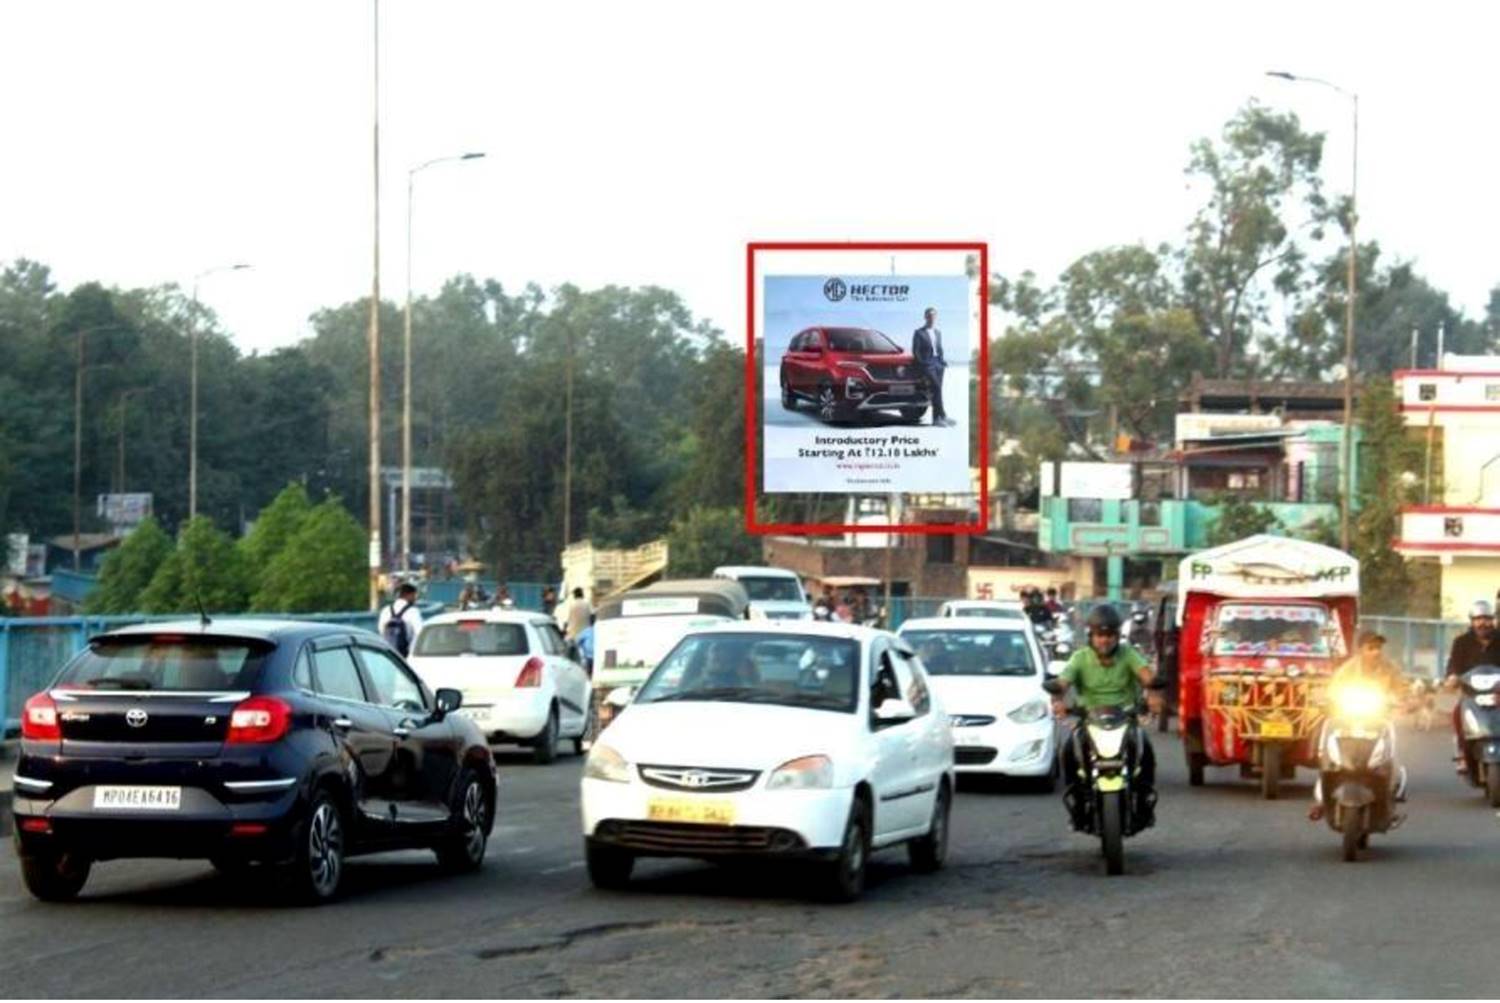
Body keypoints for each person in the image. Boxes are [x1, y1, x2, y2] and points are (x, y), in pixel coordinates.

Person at [1050, 605, 1162, 827]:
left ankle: (1144, 802)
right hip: (1089, 719)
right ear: (1091, 636)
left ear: (1117, 636)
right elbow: (1063, 682)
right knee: (1068, 751)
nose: (1105, 640)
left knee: (1146, 750)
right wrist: (1058, 698)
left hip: (1126, 718)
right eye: (1100, 635)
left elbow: (1147, 676)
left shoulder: (1128, 654)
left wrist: (1154, 694)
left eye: (1110, 635)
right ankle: (1077, 803)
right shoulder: (1079, 658)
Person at [1310, 631, 1409, 820]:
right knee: (1327, 742)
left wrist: (1403, 700)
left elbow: (1402, 688)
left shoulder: (1389, 668)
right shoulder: (1347, 669)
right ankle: (1321, 796)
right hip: (1348, 718)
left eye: (1378, 648)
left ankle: (1392, 790)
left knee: (1390, 749)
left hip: (1379, 718)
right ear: (1361, 650)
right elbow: (1333, 689)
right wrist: (1329, 700)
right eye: (1371, 648)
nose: (1375, 652)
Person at [1444, 599, 1500, 772]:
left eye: (1487, 618)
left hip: (1498, 693)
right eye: (1478, 619)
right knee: (1457, 714)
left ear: (1493, 620)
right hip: (1472, 694)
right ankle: (1462, 752)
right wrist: (1452, 677)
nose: (1483, 623)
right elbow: (1454, 664)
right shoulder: (1461, 642)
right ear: (1472, 621)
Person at [912, 306, 952, 427]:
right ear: (925, 317)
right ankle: (941, 416)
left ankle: (938, 418)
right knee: (936, 387)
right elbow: (915, 351)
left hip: (938, 363)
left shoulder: (937, 332)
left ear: (936, 317)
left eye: (933, 315)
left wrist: (942, 361)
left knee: (937, 390)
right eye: (929, 316)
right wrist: (923, 363)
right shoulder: (919, 332)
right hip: (927, 364)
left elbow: (939, 348)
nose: (931, 318)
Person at [378, 582, 424, 658]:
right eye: (414, 596)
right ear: (409, 595)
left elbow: (381, 630)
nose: (415, 599)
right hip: (405, 654)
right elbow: (419, 633)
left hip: (389, 654)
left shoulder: (385, 610)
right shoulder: (413, 611)